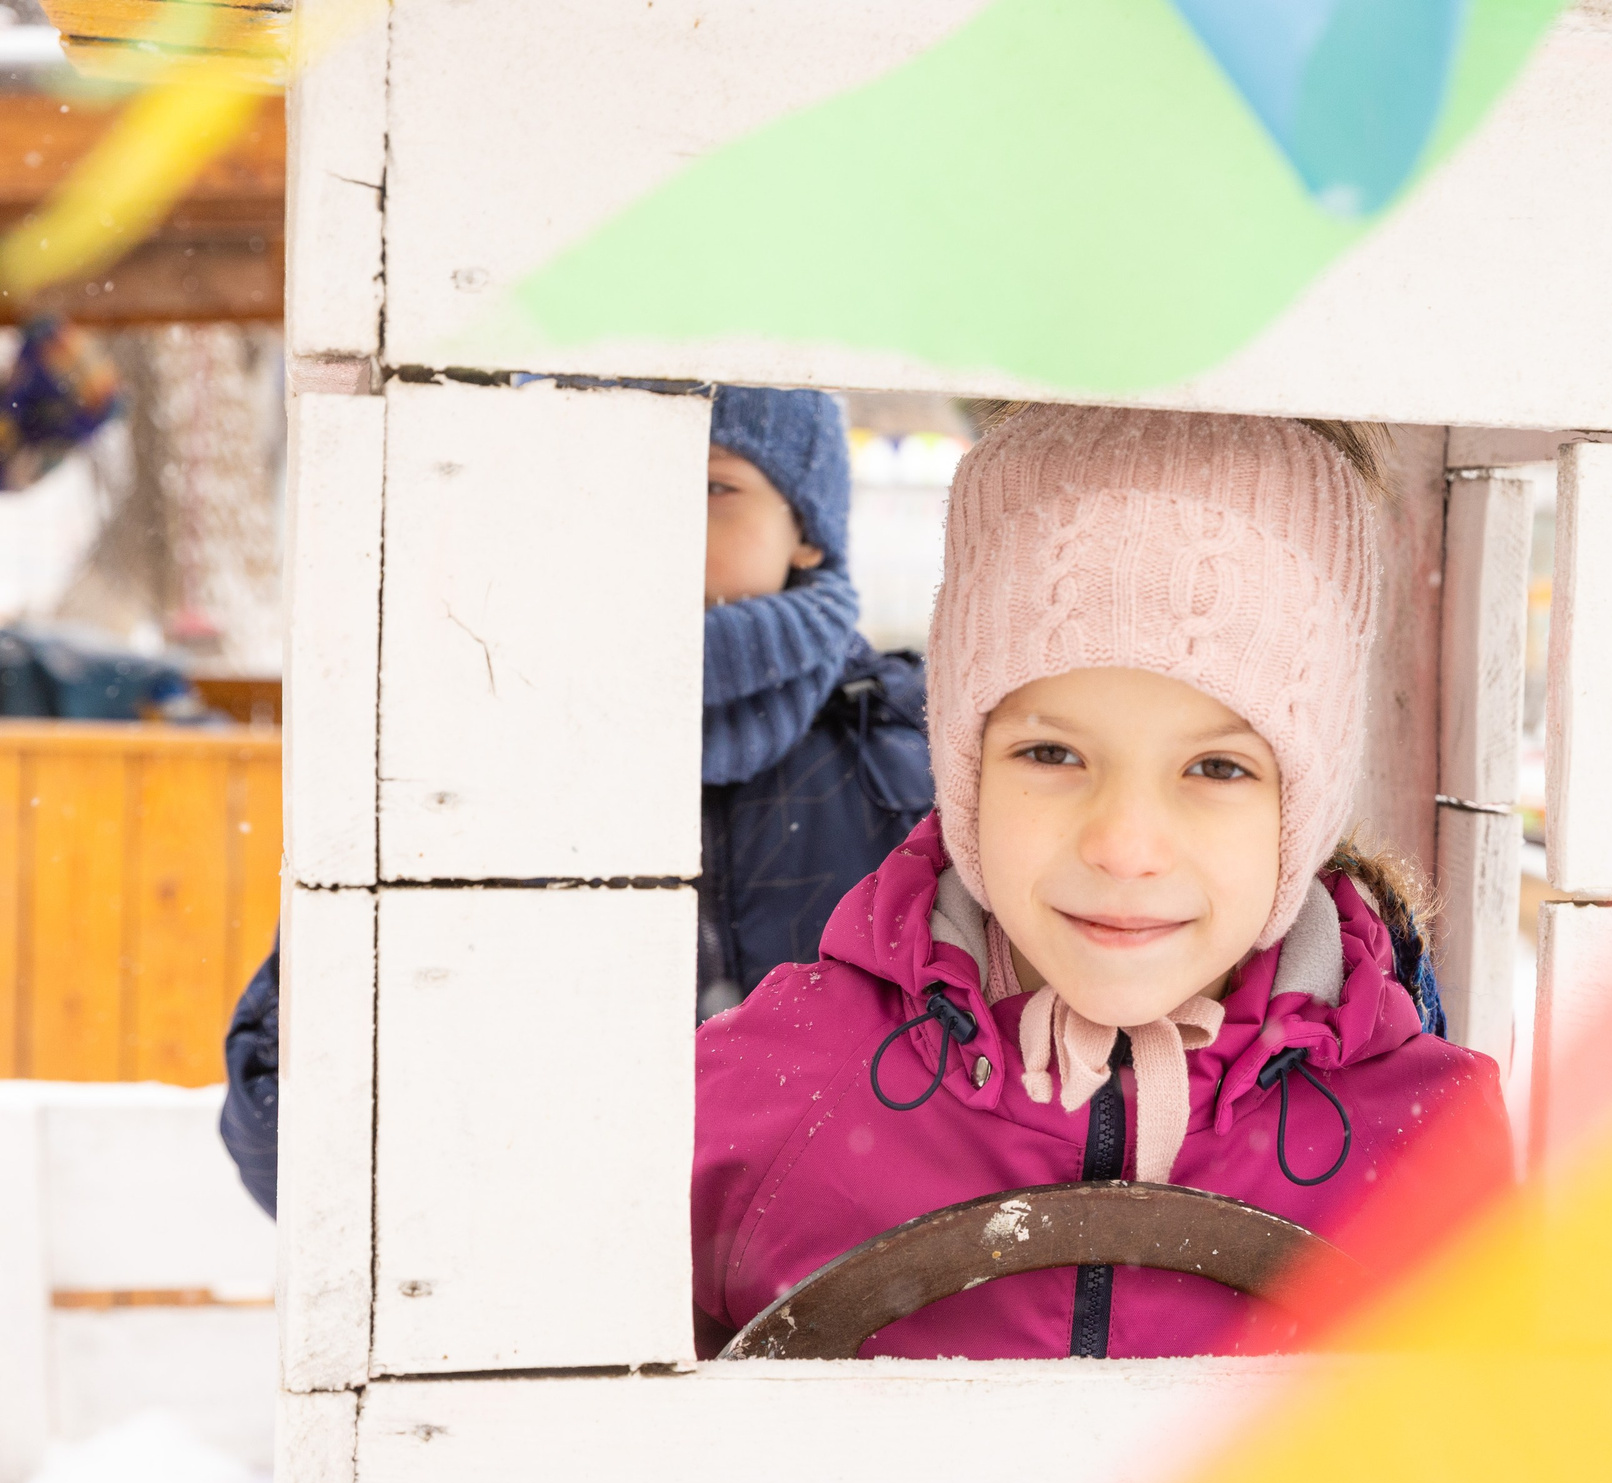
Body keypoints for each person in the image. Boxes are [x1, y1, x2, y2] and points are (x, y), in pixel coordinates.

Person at [692, 405, 1510, 1361]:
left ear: (1307, 798)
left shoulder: (1425, 1153)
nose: (1125, 846)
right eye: (1053, 751)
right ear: (966, 768)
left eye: (1216, 769)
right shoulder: (780, 1095)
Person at [218, 386, 931, 1214]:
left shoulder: (911, 766)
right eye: (606, 479)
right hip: (531, 1306)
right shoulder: (452, 755)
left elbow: (987, 1107)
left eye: (710, 487)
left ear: (806, 529)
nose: (651, 521)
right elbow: (292, 1132)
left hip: (836, 1312)